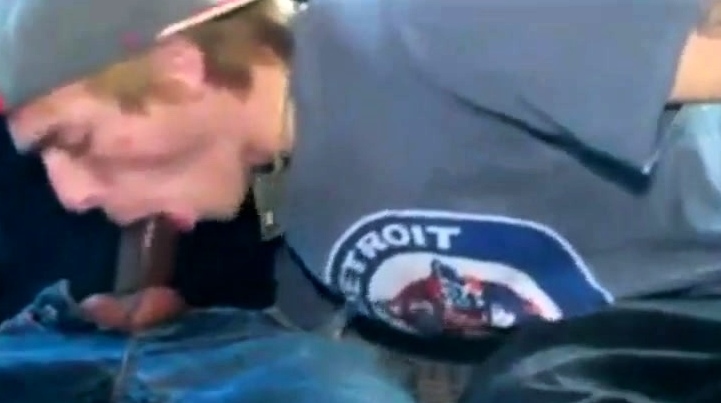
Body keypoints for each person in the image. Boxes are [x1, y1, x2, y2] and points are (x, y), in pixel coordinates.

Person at [2, 0, 721, 401]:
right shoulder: (302, 218)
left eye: (75, 139)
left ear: (180, 69)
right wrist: (179, 331)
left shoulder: (431, 28)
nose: (72, 192)